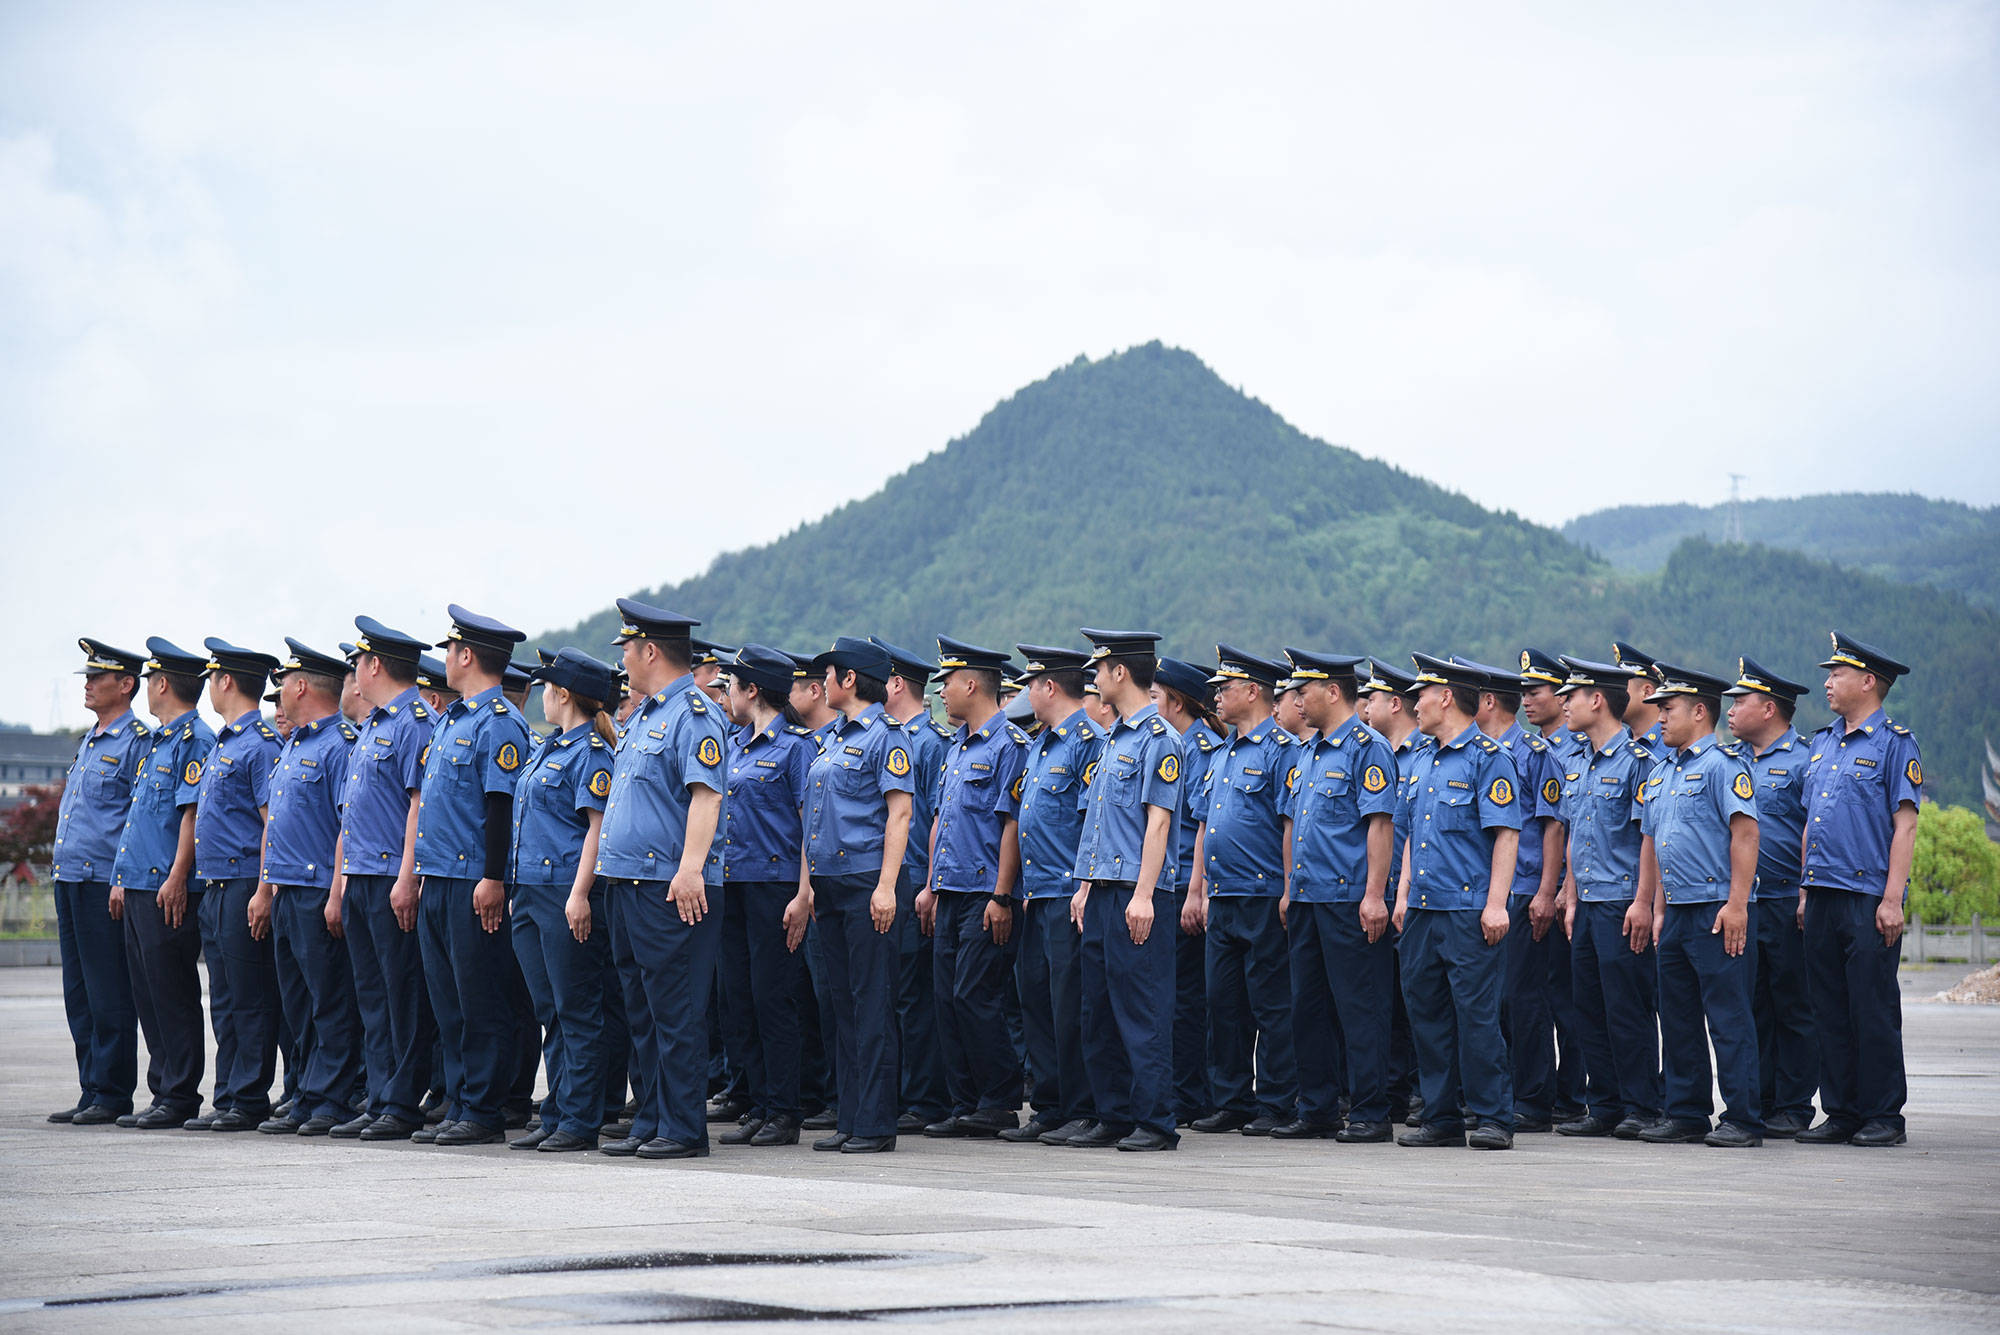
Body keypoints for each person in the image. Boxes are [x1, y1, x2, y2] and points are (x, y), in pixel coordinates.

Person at [595, 599, 730, 1160]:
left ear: (650, 650)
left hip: (668, 885)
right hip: (626, 883)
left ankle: (681, 1127)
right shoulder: (646, 716)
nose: (623, 662)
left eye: (627, 649)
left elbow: (707, 794)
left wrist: (692, 869)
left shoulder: (693, 714)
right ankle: (650, 1117)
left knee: (675, 1010)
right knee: (642, 1011)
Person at [790, 636, 916, 1154]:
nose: (821, 682)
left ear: (850, 680)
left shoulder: (887, 737)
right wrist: (808, 889)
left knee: (871, 1002)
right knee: (841, 1003)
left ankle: (875, 1123)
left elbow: (900, 813)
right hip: (831, 884)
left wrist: (886, 886)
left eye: (831, 672)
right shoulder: (832, 739)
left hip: (868, 880)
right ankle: (851, 1114)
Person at [1798, 632, 1923, 1148]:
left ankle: (1883, 1115)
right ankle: (1842, 1111)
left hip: (1867, 895)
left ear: (1868, 681)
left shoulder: (1895, 743)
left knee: (1870, 1006)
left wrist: (1892, 898)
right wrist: (1805, 891)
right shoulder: (1822, 742)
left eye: (1838, 673)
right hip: (1821, 891)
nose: (1828, 682)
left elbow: (1906, 824)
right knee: (1826, 1006)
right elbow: (1811, 821)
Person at [413, 605, 531, 1147]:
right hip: (436, 876)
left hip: (471, 880)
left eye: (449, 650)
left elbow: (500, 807)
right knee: (448, 1001)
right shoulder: (450, 719)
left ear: (466, 655)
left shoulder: (499, 722)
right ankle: (459, 1101)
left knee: (479, 997)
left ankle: (483, 1108)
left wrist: (492, 877)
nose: (445, 659)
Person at [1393, 654, 1522, 1150]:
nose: (1414, 704)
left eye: (1421, 695)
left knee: (1477, 1017)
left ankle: (1493, 1116)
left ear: (1446, 697)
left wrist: (1496, 905)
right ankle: (1440, 1117)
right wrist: (1403, 894)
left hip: (1469, 910)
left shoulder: (1490, 759)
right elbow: (1409, 837)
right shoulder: (1421, 759)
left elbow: (1506, 835)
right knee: (1426, 1016)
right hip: (1424, 909)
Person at [1636, 662, 1762, 1147]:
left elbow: (1745, 834)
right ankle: (1686, 1111)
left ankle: (1744, 1118)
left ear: (1699, 711)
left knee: (1728, 1017)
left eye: (1668, 709)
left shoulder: (1722, 766)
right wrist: (1655, 906)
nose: (1660, 718)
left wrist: (1737, 904)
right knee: (1678, 1015)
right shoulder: (1662, 769)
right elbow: (1658, 841)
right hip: (1679, 911)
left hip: (1716, 908)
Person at [1068, 628, 1182, 1151]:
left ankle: (1156, 1121)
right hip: (1104, 889)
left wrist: (1143, 894)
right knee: (1098, 1009)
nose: (1093, 678)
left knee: (1142, 1007)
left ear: (1120, 672)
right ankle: (1111, 1112)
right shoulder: (1113, 739)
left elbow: (1156, 825)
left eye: (1100, 668)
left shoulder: (1161, 740)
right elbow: (1101, 822)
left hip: (1140, 891)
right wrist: (1087, 884)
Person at [1280, 648, 1400, 1142]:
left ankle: (1372, 1111)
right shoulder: (1308, 751)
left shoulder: (1366, 749)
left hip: (1348, 899)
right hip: (1308, 897)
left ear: (1333, 691)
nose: (1296, 701)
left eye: (1303, 691)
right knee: (1306, 1007)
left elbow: (1379, 825)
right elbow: (1294, 825)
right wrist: (1290, 888)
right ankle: (1318, 1107)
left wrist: (1374, 895)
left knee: (1360, 1006)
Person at [505, 648, 621, 1154]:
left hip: (563, 891)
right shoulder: (548, 749)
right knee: (550, 1007)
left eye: (548, 688)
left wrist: (579, 894)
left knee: (577, 1008)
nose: (543, 697)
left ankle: (580, 1117)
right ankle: (556, 1110)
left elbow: (596, 831)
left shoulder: (592, 753)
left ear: (564, 694)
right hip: (530, 889)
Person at [917, 637, 1029, 1138]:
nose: (941, 689)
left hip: (985, 892)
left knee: (975, 994)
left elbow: (1011, 825)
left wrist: (1002, 896)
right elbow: (943, 819)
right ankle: (964, 1103)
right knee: (946, 997)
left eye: (947, 681)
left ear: (971, 684)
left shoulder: (1009, 746)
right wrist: (929, 886)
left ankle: (1000, 1098)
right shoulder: (956, 746)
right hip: (949, 888)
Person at [1185, 646, 1299, 1136]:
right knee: (1222, 1002)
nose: (1216, 696)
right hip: (1222, 893)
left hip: (1263, 891)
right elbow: (1203, 826)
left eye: (1224, 688)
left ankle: (1275, 1100)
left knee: (1270, 1003)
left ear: (1253, 692)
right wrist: (1196, 891)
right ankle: (1230, 1098)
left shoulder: (1282, 752)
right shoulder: (1222, 754)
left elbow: (1292, 826)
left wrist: (1288, 889)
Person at [336, 616, 440, 1142]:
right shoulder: (374, 724)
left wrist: (406, 878)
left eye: (358, 663)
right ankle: (379, 1096)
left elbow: (417, 807)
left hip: (389, 877)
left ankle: (403, 1101)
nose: (354, 674)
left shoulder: (413, 722)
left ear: (375, 665)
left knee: (402, 995)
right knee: (371, 995)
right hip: (360, 876)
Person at [1552, 655, 1663, 1139]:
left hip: (1622, 901)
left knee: (1627, 1007)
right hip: (1587, 902)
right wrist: (1569, 894)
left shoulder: (1640, 763)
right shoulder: (1576, 760)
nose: (1563, 703)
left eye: (1571, 695)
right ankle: (1605, 1104)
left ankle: (1641, 1104)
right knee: (1589, 1008)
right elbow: (1576, 833)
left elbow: (1649, 838)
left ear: (1597, 700)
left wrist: (1643, 902)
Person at [1455, 656, 1566, 1133]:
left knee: (1524, 1000)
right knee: (1490, 1002)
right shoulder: (1474, 753)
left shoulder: (1534, 754)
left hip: (1523, 891)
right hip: (1487, 891)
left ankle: (1533, 1099)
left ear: (1486, 702)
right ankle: (1493, 1094)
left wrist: (1545, 892)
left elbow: (1552, 825)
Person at [109, 638, 217, 1129]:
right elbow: (139, 817)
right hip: (137, 884)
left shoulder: (194, 740)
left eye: (150, 681)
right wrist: (119, 879)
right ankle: (161, 1089)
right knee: (146, 992)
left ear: (162, 683)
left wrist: (177, 877)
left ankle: (179, 1094)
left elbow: (191, 814)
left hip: (165, 887)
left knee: (171, 989)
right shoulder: (157, 742)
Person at [713, 644, 818, 1148]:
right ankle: (756, 1102)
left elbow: (810, 827)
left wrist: (803, 894)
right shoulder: (735, 745)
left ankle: (784, 1108)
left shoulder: (796, 748)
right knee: (739, 998)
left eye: (731, 685)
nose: (726, 695)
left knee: (773, 997)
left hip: (776, 886)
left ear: (752, 690)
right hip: (732, 882)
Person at [258, 642, 362, 1136]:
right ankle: (303, 1091)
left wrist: (337, 893)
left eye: (285, 682)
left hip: (318, 888)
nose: (279, 691)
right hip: (286, 890)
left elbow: (348, 825)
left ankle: (330, 1098)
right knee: (296, 1002)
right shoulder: (296, 744)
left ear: (301, 685)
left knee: (329, 1000)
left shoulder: (340, 745)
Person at [1005, 644, 1102, 1144]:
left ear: (1049, 687)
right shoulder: (1040, 744)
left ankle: (1082, 1105)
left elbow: (1092, 821)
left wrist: (1083, 885)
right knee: (1037, 1000)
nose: (1026, 694)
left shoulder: (1088, 741)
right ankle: (1048, 1103)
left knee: (1071, 1003)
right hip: (1037, 892)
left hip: (1068, 892)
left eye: (1030, 684)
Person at [49, 639, 147, 1126]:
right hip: (68, 878)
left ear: (126, 684)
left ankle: (112, 1092)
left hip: (101, 882)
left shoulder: (136, 742)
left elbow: (138, 818)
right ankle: (91, 1087)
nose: (87, 684)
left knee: (108, 991)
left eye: (97, 677)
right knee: (79, 992)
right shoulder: (90, 739)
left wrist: (124, 878)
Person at [188, 638, 284, 1132]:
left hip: (245, 879)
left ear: (226, 680)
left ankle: (248, 1097)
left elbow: (272, 823)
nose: (208, 686)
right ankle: (228, 1094)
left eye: (211, 678)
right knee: (224, 998)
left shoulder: (260, 745)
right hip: (216, 885)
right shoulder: (226, 742)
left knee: (250, 997)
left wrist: (264, 891)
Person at [1722, 656, 1817, 1138]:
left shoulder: (1804, 760)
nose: (1731, 711)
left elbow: (1816, 832)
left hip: (1785, 899)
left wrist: (1805, 892)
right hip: (1746, 901)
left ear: (1771, 708)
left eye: (1742, 701)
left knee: (1793, 1004)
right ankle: (1757, 1098)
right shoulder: (1732, 762)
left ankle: (1795, 1104)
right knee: (1752, 1002)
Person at [872, 637, 952, 1136]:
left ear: (896, 684)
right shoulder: (896, 737)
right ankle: (904, 1092)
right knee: (895, 994)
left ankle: (924, 1097)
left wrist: (928, 886)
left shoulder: (927, 743)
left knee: (914, 999)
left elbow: (934, 823)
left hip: (915, 883)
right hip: (896, 882)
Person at [1516, 647, 1587, 1121]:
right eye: (1521, 692)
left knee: (1567, 999)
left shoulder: (1577, 749)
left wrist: (1557, 889)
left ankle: (1572, 1095)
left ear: (1563, 699)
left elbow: (1564, 828)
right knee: (1534, 995)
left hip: (1566, 892)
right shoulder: (1536, 750)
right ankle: (1546, 1092)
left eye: (1536, 691)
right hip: (1541, 891)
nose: (1526, 700)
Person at [1358, 657, 1430, 1123]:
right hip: (1386, 892)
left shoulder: (1425, 753)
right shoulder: (1379, 751)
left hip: (1419, 894)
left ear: (1396, 703)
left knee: (1421, 998)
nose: (1365, 708)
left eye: (1374, 699)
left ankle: (1427, 1090)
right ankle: (1396, 1088)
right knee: (1389, 994)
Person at [1153, 657, 1221, 1127]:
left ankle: (1190, 1093)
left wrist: (1196, 892)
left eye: (1156, 697)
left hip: (1183, 887)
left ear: (1176, 703)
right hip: (1169, 884)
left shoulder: (1200, 749)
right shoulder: (1174, 744)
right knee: (1170, 996)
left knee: (1185, 999)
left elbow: (1200, 825)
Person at [1612, 642, 1666, 752]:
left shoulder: (1671, 748)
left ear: (1647, 692)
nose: (1614, 694)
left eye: (1622, 687)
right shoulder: (1617, 747)